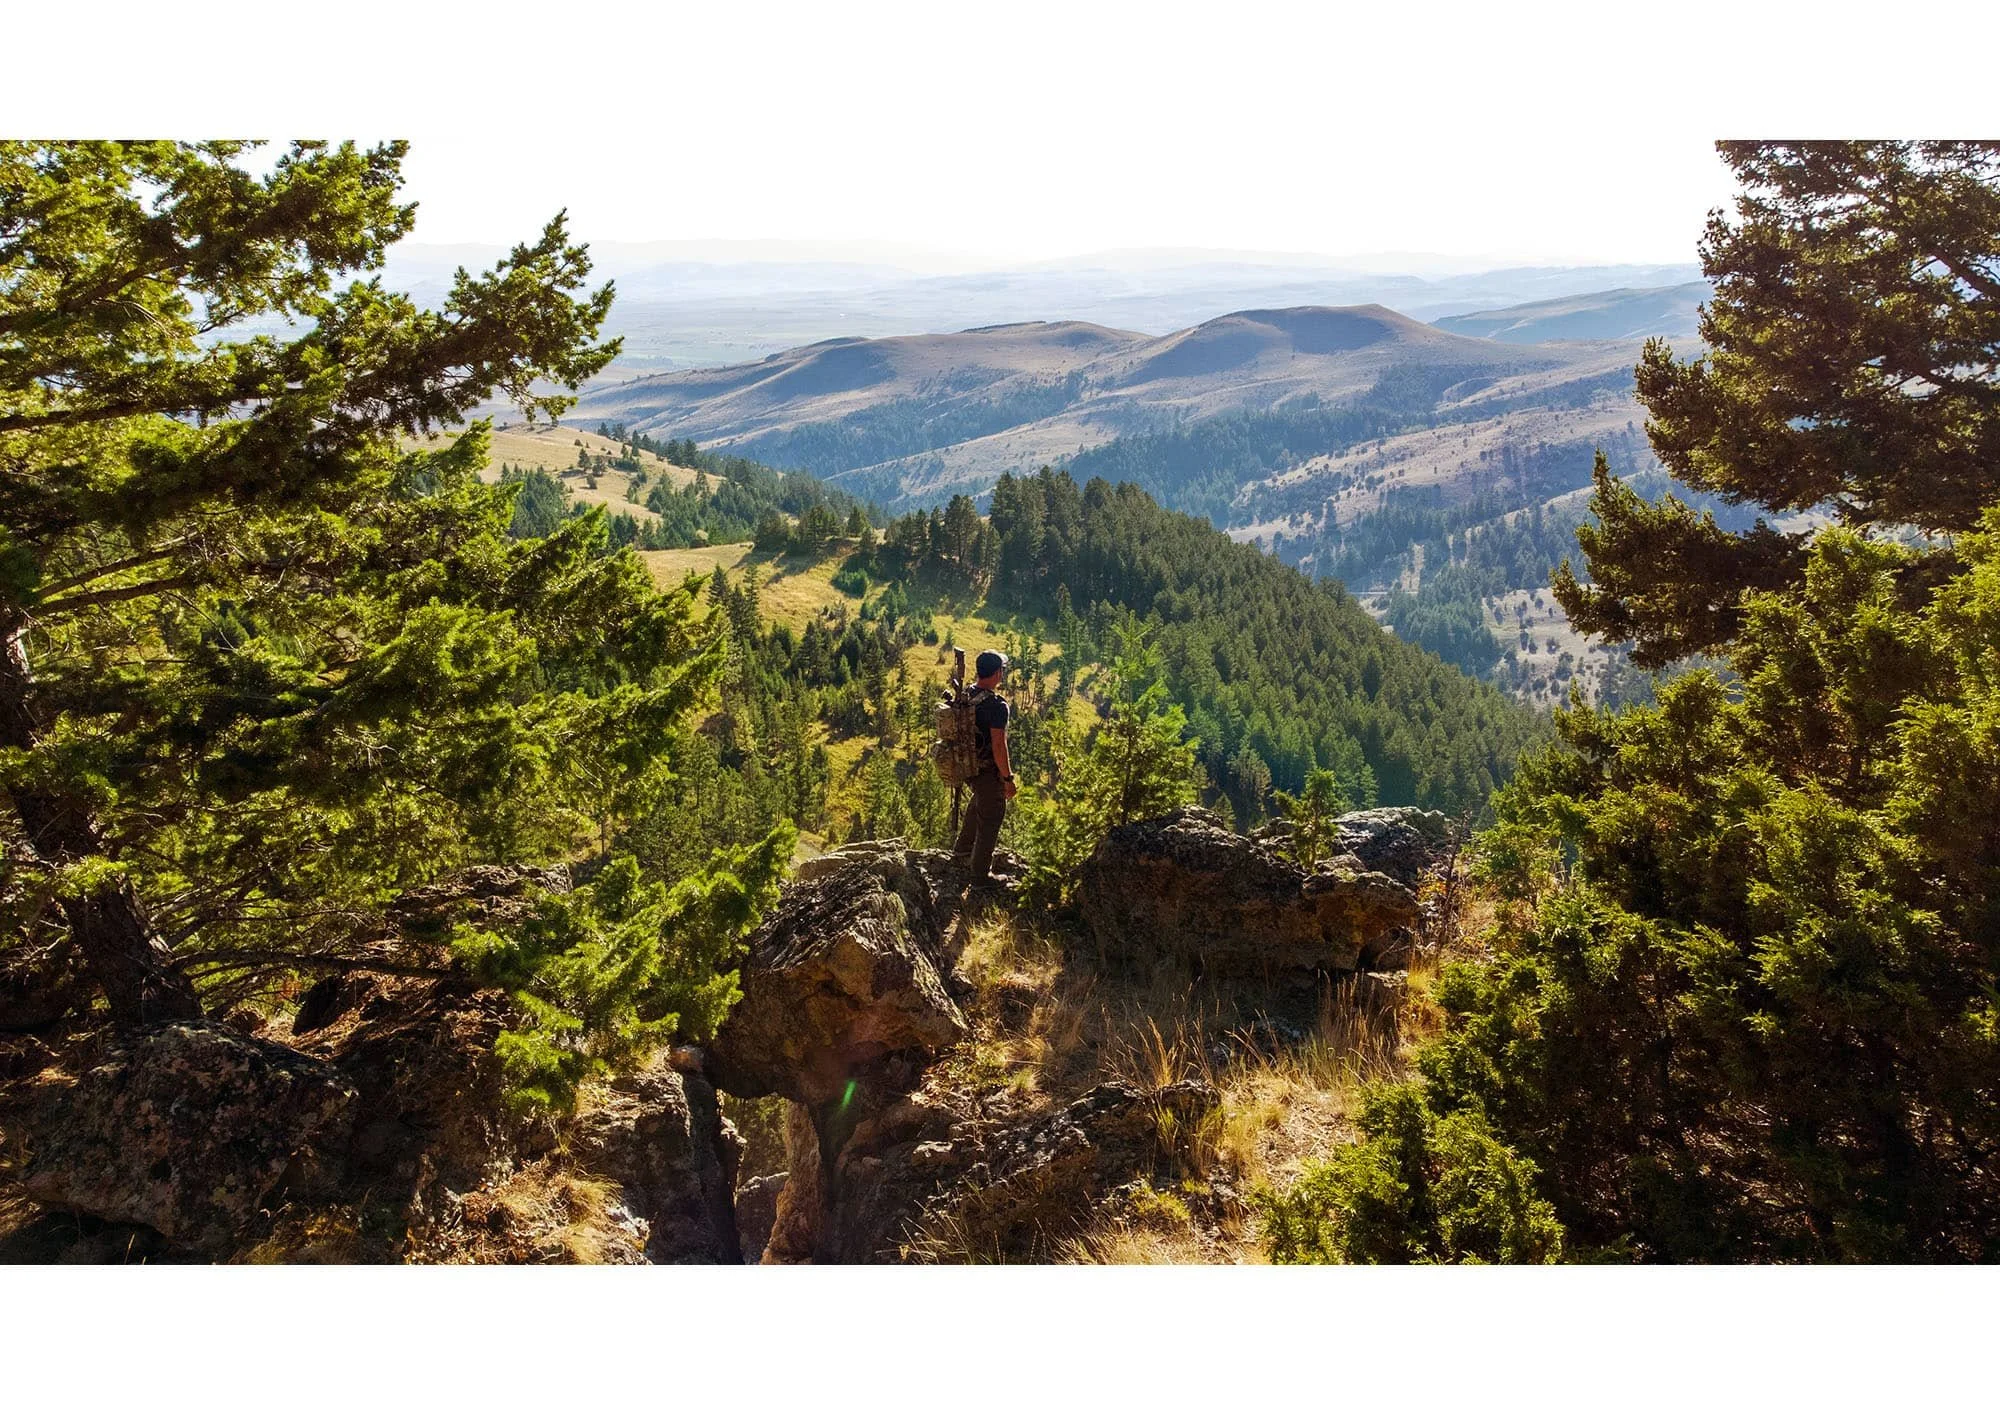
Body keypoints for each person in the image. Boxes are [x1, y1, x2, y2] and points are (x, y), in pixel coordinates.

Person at [951, 649, 1015, 886]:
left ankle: (962, 851)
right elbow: (999, 745)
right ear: (998, 673)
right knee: (992, 817)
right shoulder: (997, 705)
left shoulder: (967, 693)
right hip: (987, 770)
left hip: (967, 766)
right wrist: (1007, 779)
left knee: (980, 800)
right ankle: (980, 876)